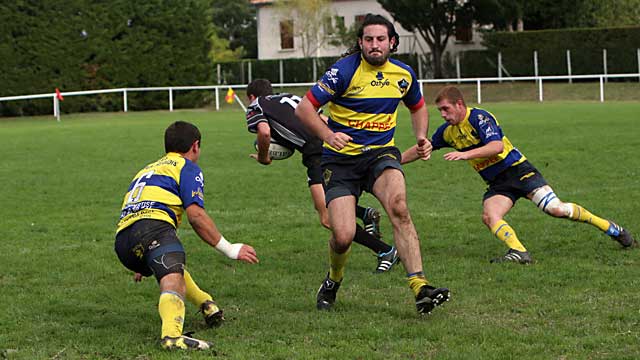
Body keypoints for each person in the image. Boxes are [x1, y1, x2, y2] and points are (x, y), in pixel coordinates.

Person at [295, 14, 450, 314]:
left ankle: (420, 288)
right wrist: (328, 135)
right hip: (340, 162)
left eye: (380, 39)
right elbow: (304, 108)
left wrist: (420, 136)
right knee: (343, 236)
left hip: (380, 154)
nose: (374, 45)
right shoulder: (344, 71)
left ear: (392, 42)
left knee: (399, 208)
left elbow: (417, 107)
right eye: (368, 39)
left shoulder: (403, 75)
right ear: (360, 43)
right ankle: (333, 280)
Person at [402, 85, 636, 263]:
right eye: (440, 110)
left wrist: (465, 155)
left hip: (519, 171)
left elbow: (497, 147)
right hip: (498, 183)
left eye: (446, 109)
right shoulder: (448, 132)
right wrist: (394, 161)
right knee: (490, 215)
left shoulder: (479, 117)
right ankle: (519, 252)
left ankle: (612, 228)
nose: (442, 114)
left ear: (459, 104)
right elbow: (424, 147)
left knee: (556, 209)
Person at [115, 121, 259, 350]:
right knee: (172, 275)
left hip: (123, 240)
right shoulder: (187, 167)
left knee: (170, 265)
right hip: (153, 228)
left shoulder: (147, 169)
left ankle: (206, 303)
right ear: (195, 146)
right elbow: (196, 216)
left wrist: (140, 255)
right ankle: (172, 337)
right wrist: (230, 248)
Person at [245, 78, 399, 273]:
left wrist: (263, 157)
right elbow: (323, 120)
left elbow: (265, 133)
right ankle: (365, 214)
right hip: (332, 143)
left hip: (316, 153)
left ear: (251, 96)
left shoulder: (256, 105)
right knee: (333, 202)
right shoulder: (289, 96)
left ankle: (385, 251)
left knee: (327, 218)